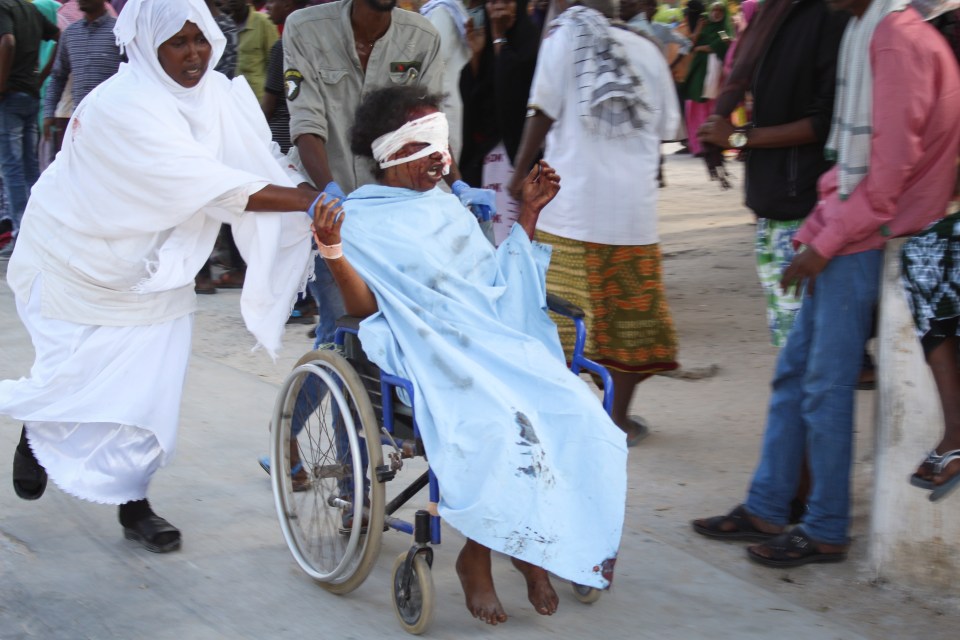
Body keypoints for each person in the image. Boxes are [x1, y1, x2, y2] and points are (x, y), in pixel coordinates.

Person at [1, 0, 319, 553]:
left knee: (147, 395)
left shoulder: (216, 99)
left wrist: (308, 190)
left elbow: (257, 162)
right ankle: (39, 424)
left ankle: (135, 503)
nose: (195, 53)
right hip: (78, 256)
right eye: (179, 41)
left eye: (201, 39)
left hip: (162, 265)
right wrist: (309, 201)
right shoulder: (122, 105)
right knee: (72, 371)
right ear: (149, 44)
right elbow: (211, 185)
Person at [313, 84, 627, 625]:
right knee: (501, 423)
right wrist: (334, 252)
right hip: (432, 351)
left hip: (492, 339)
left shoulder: (450, 208)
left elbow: (497, 288)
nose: (442, 157)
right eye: (426, 144)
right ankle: (476, 557)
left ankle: (531, 545)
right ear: (390, 152)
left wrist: (527, 213)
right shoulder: (360, 219)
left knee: (575, 409)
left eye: (443, 142)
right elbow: (366, 310)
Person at [692, 0, 960, 567]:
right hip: (849, 222)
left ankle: (825, 527)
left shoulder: (894, 37)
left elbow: (886, 180)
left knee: (824, 384)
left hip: (869, 235)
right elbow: (854, 163)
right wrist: (818, 230)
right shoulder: (873, 28)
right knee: (795, 374)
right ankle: (768, 504)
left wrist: (826, 242)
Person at [508, 0, 681, 446]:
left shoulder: (565, 37)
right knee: (630, 327)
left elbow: (541, 111)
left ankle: (566, 420)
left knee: (555, 325)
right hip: (633, 217)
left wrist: (518, 172)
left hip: (571, 211)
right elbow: (664, 134)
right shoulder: (647, 51)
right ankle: (616, 421)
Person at [282, 0, 444, 346]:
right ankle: (309, 398)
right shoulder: (305, 28)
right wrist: (329, 192)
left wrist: (456, 184)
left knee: (401, 333)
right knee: (342, 328)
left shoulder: (423, 37)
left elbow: (429, 128)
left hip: (394, 215)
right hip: (331, 211)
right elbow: (306, 125)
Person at [459, 0, 539, 244]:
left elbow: (513, 99)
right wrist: (477, 56)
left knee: (517, 247)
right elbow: (479, 105)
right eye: (492, 1)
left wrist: (500, 39)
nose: (497, 6)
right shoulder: (484, 50)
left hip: (523, 164)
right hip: (487, 166)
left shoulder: (533, 44)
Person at [0, 0, 59, 258]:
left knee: (11, 167)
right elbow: (58, 35)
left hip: (10, 96)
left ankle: (20, 235)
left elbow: (8, 42)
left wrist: (1, 85)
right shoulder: (30, 9)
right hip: (30, 94)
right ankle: (37, 231)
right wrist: (42, 75)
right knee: (30, 167)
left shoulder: (4, 8)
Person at [42, 0, 123, 144]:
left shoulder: (119, 32)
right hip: (80, 122)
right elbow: (58, 76)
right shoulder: (70, 34)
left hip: (113, 122)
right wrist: (49, 112)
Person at [419, 0, 470, 163]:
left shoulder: (442, 11)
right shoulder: (439, 9)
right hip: (437, 102)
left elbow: (434, 57)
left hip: (440, 103)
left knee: (439, 170)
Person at [681, 0, 730, 157]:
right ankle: (697, 146)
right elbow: (691, 43)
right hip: (698, 75)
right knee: (693, 108)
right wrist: (699, 29)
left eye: (719, 11)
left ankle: (713, 145)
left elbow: (719, 45)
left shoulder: (723, 31)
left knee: (711, 109)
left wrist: (701, 48)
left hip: (714, 79)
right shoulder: (705, 27)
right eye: (714, 10)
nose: (716, 13)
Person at [222, 0, 278, 101]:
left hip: (258, 100)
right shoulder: (224, 26)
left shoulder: (263, 22)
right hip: (232, 99)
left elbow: (276, 65)